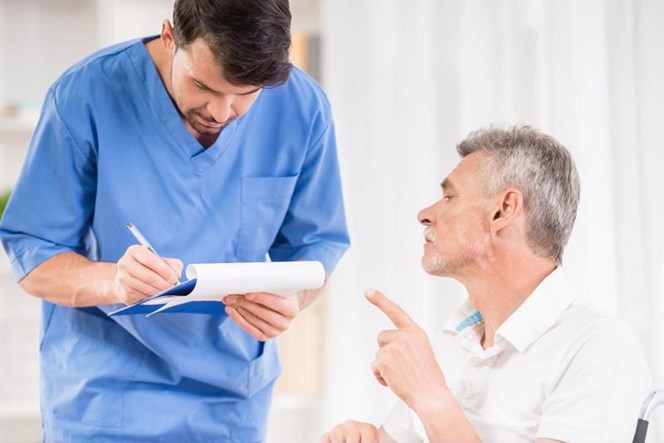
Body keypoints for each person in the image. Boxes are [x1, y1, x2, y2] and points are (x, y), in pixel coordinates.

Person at [0, 0, 349, 441]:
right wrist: (115, 282)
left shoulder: (303, 108)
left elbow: (317, 246)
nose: (221, 113)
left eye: (245, 95)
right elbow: (33, 255)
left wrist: (291, 300)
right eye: (203, 85)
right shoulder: (85, 94)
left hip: (230, 402)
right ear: (170, 36)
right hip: (107, 397)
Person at [321, 125, 651, 443]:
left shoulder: (597, 346)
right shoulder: (457, 342)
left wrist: (432, 398)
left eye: (449, 197)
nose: (424, 213)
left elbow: (434, 406)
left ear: (503, 210)